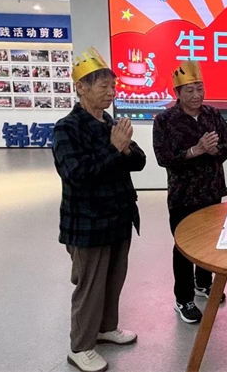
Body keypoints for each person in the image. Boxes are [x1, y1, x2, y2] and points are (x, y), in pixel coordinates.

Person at [52, 47, 146, 372]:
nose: (111, 92)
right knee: (90, 287)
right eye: (104, 85)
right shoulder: (66, 128)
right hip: (88, 223)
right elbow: (76, 173)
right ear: (81, 87)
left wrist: (125, 148)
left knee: (113, 280)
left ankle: (106, 328)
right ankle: (80, 347)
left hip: (120, 217)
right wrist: (114, 149)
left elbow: (139, 161)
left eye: (113, 86)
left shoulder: (109, 122)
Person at [153, 60, 227, 324]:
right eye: (189, 90)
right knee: (184, 247)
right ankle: (184, 299)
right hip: (183, 195)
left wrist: (215, 150)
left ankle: (204, 283)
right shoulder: (164, 120)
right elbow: (164, 157)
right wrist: (195, 151)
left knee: (210, 242)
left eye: (200, 88)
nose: (197, 94)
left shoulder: (213, 114)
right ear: (177, 92)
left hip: (212, 190)